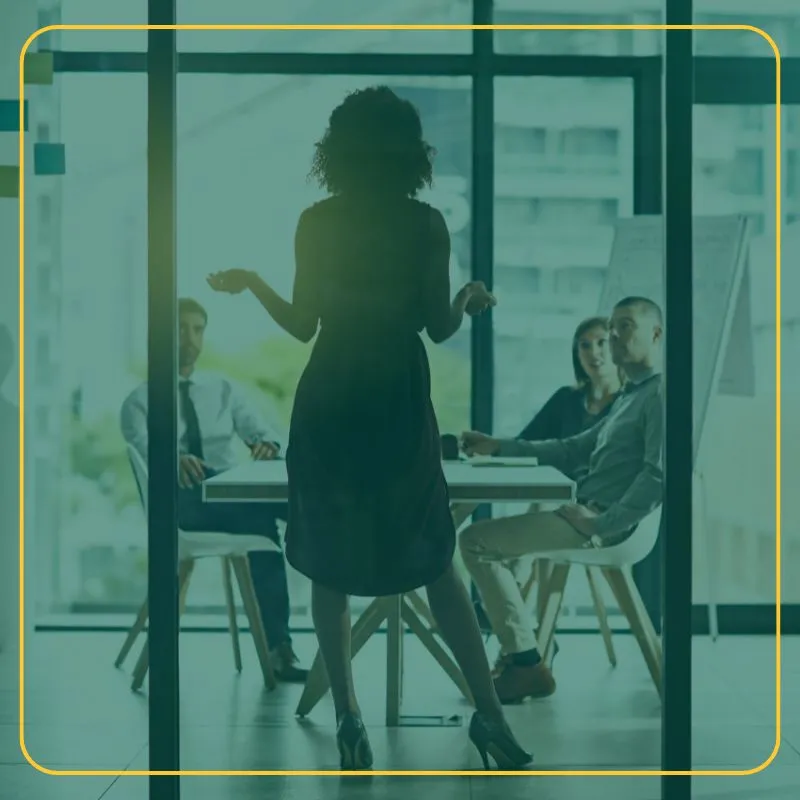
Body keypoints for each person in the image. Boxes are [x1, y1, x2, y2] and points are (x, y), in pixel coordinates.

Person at [207, 86, 531, 771]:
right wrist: (469, 299)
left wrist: (254, 282)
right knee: (435, 552)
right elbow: (439, 327)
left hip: (330, 393)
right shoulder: (426, 224)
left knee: (330, 552)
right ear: (412, 152)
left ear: (339, 151)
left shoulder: (317, 222)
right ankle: (490, 715)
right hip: (396, 395)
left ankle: (349, 718)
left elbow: (301, 326)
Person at [460, 296, 664, 705]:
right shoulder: (630, 397)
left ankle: (525, 663)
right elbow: (572, 449)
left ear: (656, 334)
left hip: (604, 525)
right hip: (586, 512)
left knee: (475, 542)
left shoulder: (660, 395)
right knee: (479, 540)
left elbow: (658, 476)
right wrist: (499, 446)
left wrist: (599, 524)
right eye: (612, 327)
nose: (612, 337)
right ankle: (525, 658)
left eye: (625, 326)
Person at [120, 297, 308, 683]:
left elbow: (261, 429)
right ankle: (281, 648)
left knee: (298, 507)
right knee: (268, 525)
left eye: (197, 329)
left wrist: (266, 443)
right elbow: (144, 448)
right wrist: (172, 457)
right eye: (180, 329)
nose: (190, 338)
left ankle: (320, 534)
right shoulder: (139, 401)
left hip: (232, 496)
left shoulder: (223, 389)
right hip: (182, 504)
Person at [473, 316, 623, 664]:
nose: (594, 352)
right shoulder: (566, 400)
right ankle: (527, 638)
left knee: (509, 528)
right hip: (557, 505)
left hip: (593, 513)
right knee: (544, 503)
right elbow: (531, 442)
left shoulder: (627, 405)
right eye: (584, 345)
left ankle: (503, 621)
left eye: (601, 342)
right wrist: (494, 446)